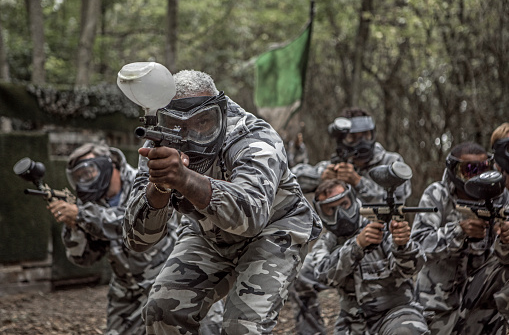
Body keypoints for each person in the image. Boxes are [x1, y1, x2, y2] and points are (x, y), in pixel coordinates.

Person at [122, 70, 321, 334]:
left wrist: (184, 179)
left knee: (243, 325)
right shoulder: (160, 142)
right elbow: (137, 239)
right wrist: (160, 186)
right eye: (178, 125)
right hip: (207, 232)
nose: (191, 134)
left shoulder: (254, 137)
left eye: (203, 122)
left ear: (220, 111)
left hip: (274, 230)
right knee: (163, 311)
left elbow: (251, 218)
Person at [47, 142, 223, 335]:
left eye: (88, 172)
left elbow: (133, 225)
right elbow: (84, 258)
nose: (84, 181)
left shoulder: (144, 180)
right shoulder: (88, 203)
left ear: (109, 164)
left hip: (171, 277)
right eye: (78, 178)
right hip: (127, 290)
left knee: (208, 329)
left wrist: (83, 216)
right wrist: (74, 227)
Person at [290, 107, 412, 334]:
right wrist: (322, 177)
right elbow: (291, 176)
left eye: (366, 135)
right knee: (302, 279)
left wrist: (357, 182)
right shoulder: (339, 163)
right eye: (354, 137)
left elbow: (400, 198)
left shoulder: (390, 161)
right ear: (343, 138)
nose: (362, 142)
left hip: (381, 238)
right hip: (340, 237)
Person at [410, 141, 509, 335]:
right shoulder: (437, 194)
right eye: (470, 169)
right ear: (454, 170)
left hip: (483, 306)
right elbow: (418, 247)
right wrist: (458, 232)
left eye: (484, 168)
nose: (478, 175)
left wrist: (505, 239)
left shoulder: (501, 196)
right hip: (439, 311)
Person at [306, 179, 429, 334]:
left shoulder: (380, 226)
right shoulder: (326, 243)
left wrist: (403, 245)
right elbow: (323, 276)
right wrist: (357, 246)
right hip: (353, 323)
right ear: (321, 213)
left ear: (353, 199)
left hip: (395, 314)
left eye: (344, 204)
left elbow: (412, 268)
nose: (341, 213)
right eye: (331, 209)